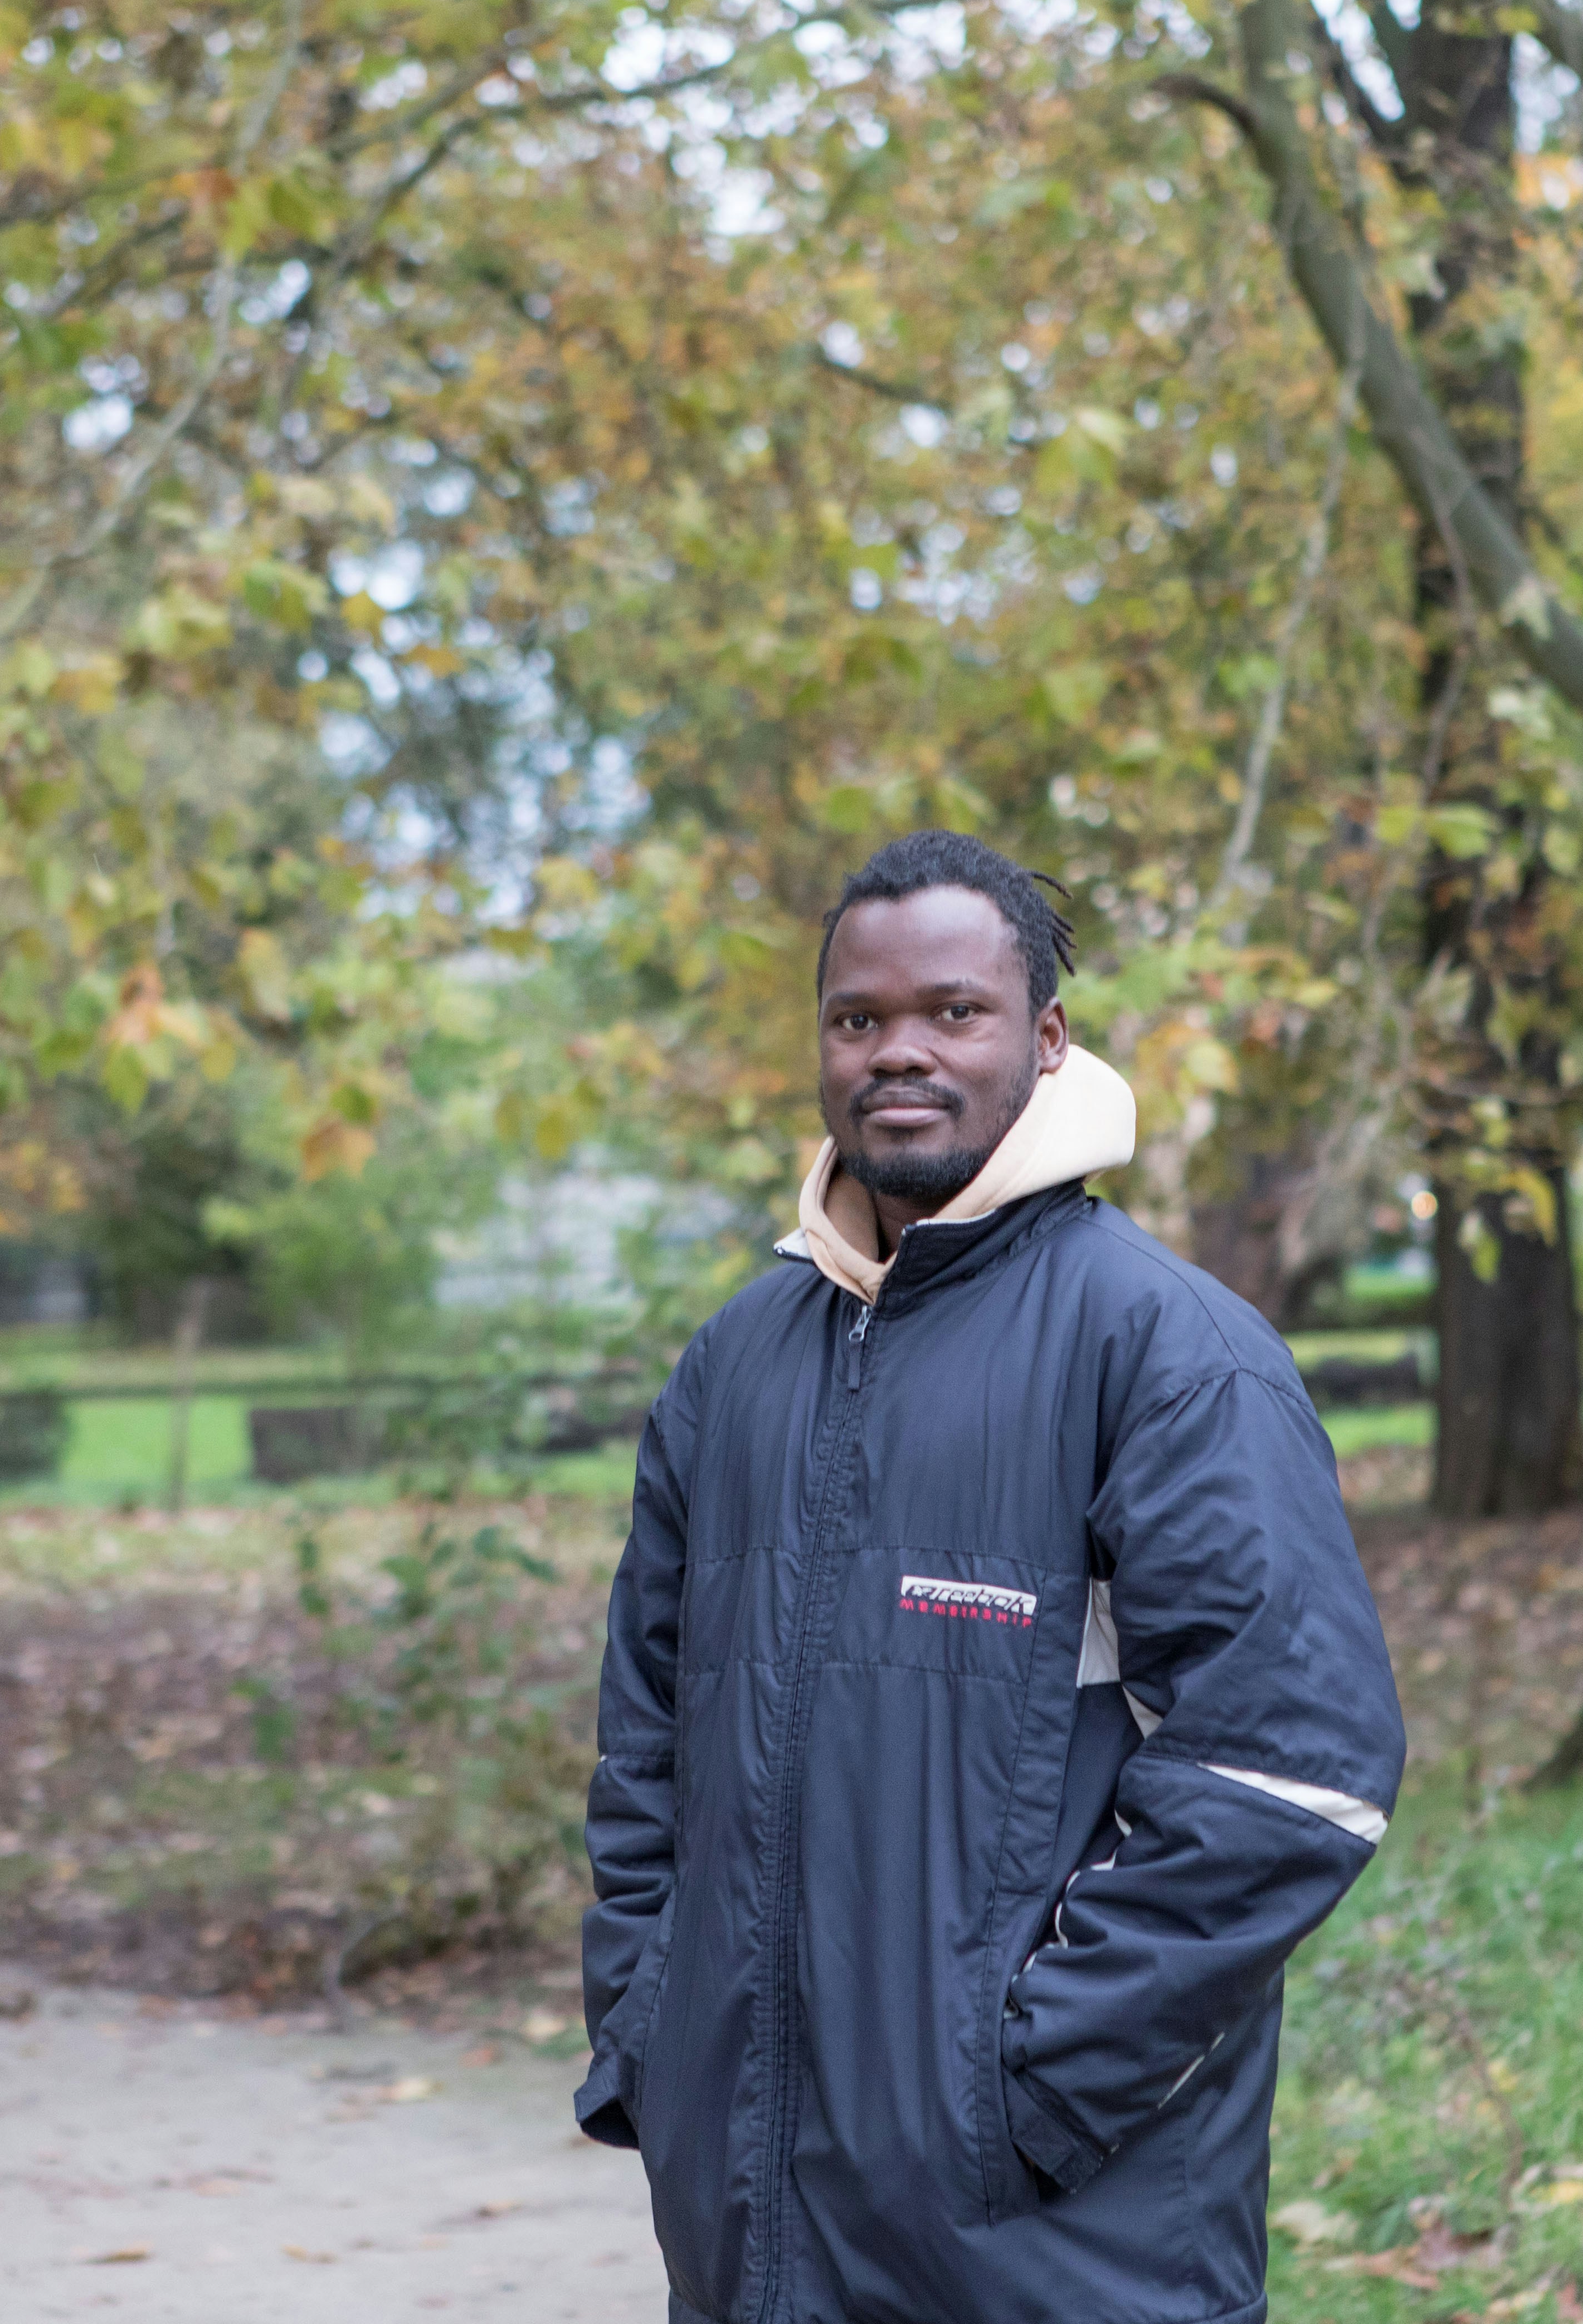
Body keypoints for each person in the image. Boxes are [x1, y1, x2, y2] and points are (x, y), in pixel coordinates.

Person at [576, 829, 1406, 2324]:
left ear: (1044, 1038)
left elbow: (1297, 1769)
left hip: (1055, 2246)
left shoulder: (1165, 1353)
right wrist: (654, 2024)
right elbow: (647, 1746)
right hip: (752, 2232)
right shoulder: (735, 1367)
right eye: (859, 1018)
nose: (900, 1051)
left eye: (952, 1012)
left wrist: (1024, 2086)